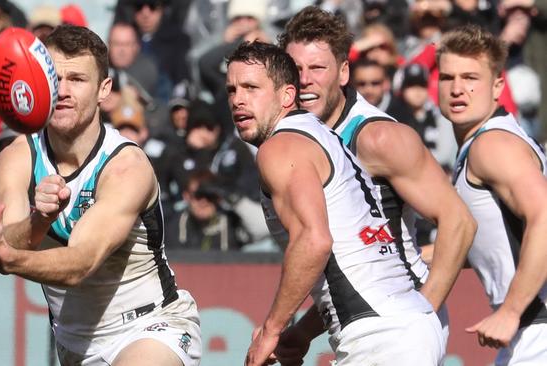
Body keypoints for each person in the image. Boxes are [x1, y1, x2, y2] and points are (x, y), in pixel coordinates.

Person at [0, 25, 201, 366]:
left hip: (149, 326)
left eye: (77, 79)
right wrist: (38, 219)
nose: (62, 91)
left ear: (104, 89)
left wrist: (7, 260)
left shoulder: (125, 166)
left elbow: (81, 263)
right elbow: (8, 238)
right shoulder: (18, 157)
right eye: (54, 78)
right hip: (74, 342)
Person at [227, 40, 444, 366]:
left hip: (381, 339)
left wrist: (272, 329)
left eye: (251, 87)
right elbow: (349, 263)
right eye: (231, 89)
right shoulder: (321, 137)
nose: (238, 100)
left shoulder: (281, 147)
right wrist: (301, 333)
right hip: (404, 327)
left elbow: (314, 241)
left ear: (287, 96)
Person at [279, 5, 475, 349]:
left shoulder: (377, 137)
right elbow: (359, 271)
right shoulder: (301, 138)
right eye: (296, 69)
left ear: (342, 73)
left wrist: (423, 313)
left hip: (403, 318)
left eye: (317, 68)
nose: (305, 79)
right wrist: (301, 333)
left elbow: (459, 221)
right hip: (365, 318)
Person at [437, 24, 547, 364]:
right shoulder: (485, 142)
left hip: (535, 327)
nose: (457, 89)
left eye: (471, 77)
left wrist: (511, 311)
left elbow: (544, 217)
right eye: (447, 77)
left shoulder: (492, 145)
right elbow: (496, 242)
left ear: (498, 85)